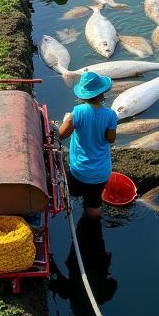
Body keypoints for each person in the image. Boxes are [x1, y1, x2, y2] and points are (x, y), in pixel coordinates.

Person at [58, 70, 117, 220]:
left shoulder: (77, 112)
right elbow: (111, 139)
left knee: (74, 191)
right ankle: (93, 231)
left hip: (79, 169)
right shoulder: (111, 115)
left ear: (83, 95)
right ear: (102, 93)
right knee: (94, 204)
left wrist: (68, 121)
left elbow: (62, 134)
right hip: (101, 173)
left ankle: (73, 203)